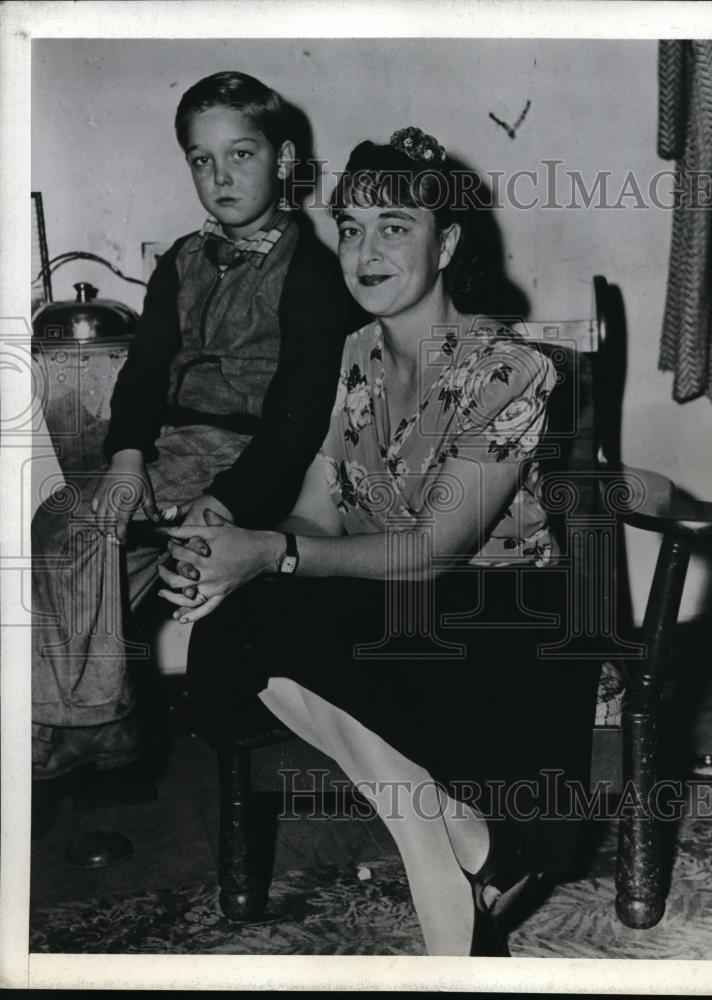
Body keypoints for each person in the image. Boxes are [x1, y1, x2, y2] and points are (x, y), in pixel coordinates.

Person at [164, 127, 601, 956]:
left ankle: (443, 871)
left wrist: (274, 555)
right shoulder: (353, 354)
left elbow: (439, 548)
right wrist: (237, 545)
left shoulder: (510, 369)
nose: (364, 249)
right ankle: (458, 839)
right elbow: (316, 520)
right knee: (230, 620)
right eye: (351, 228)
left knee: (277, 604)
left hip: (501, 623)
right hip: (388, 605)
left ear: (448, 243)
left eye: (394, 226)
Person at [31, 71, 362, 779]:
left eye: (240, 154)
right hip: (172, 448)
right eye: (201, 160)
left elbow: (298, 418)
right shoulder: (181, 261)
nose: (220, 175)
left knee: (88, 537)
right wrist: (125, 459)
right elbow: (145, 374)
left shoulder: (310, 272)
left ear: (284, 161)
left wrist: (230, 501)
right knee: (63, 526)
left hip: (257, 460)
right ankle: (82, 712)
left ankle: (90, 723)